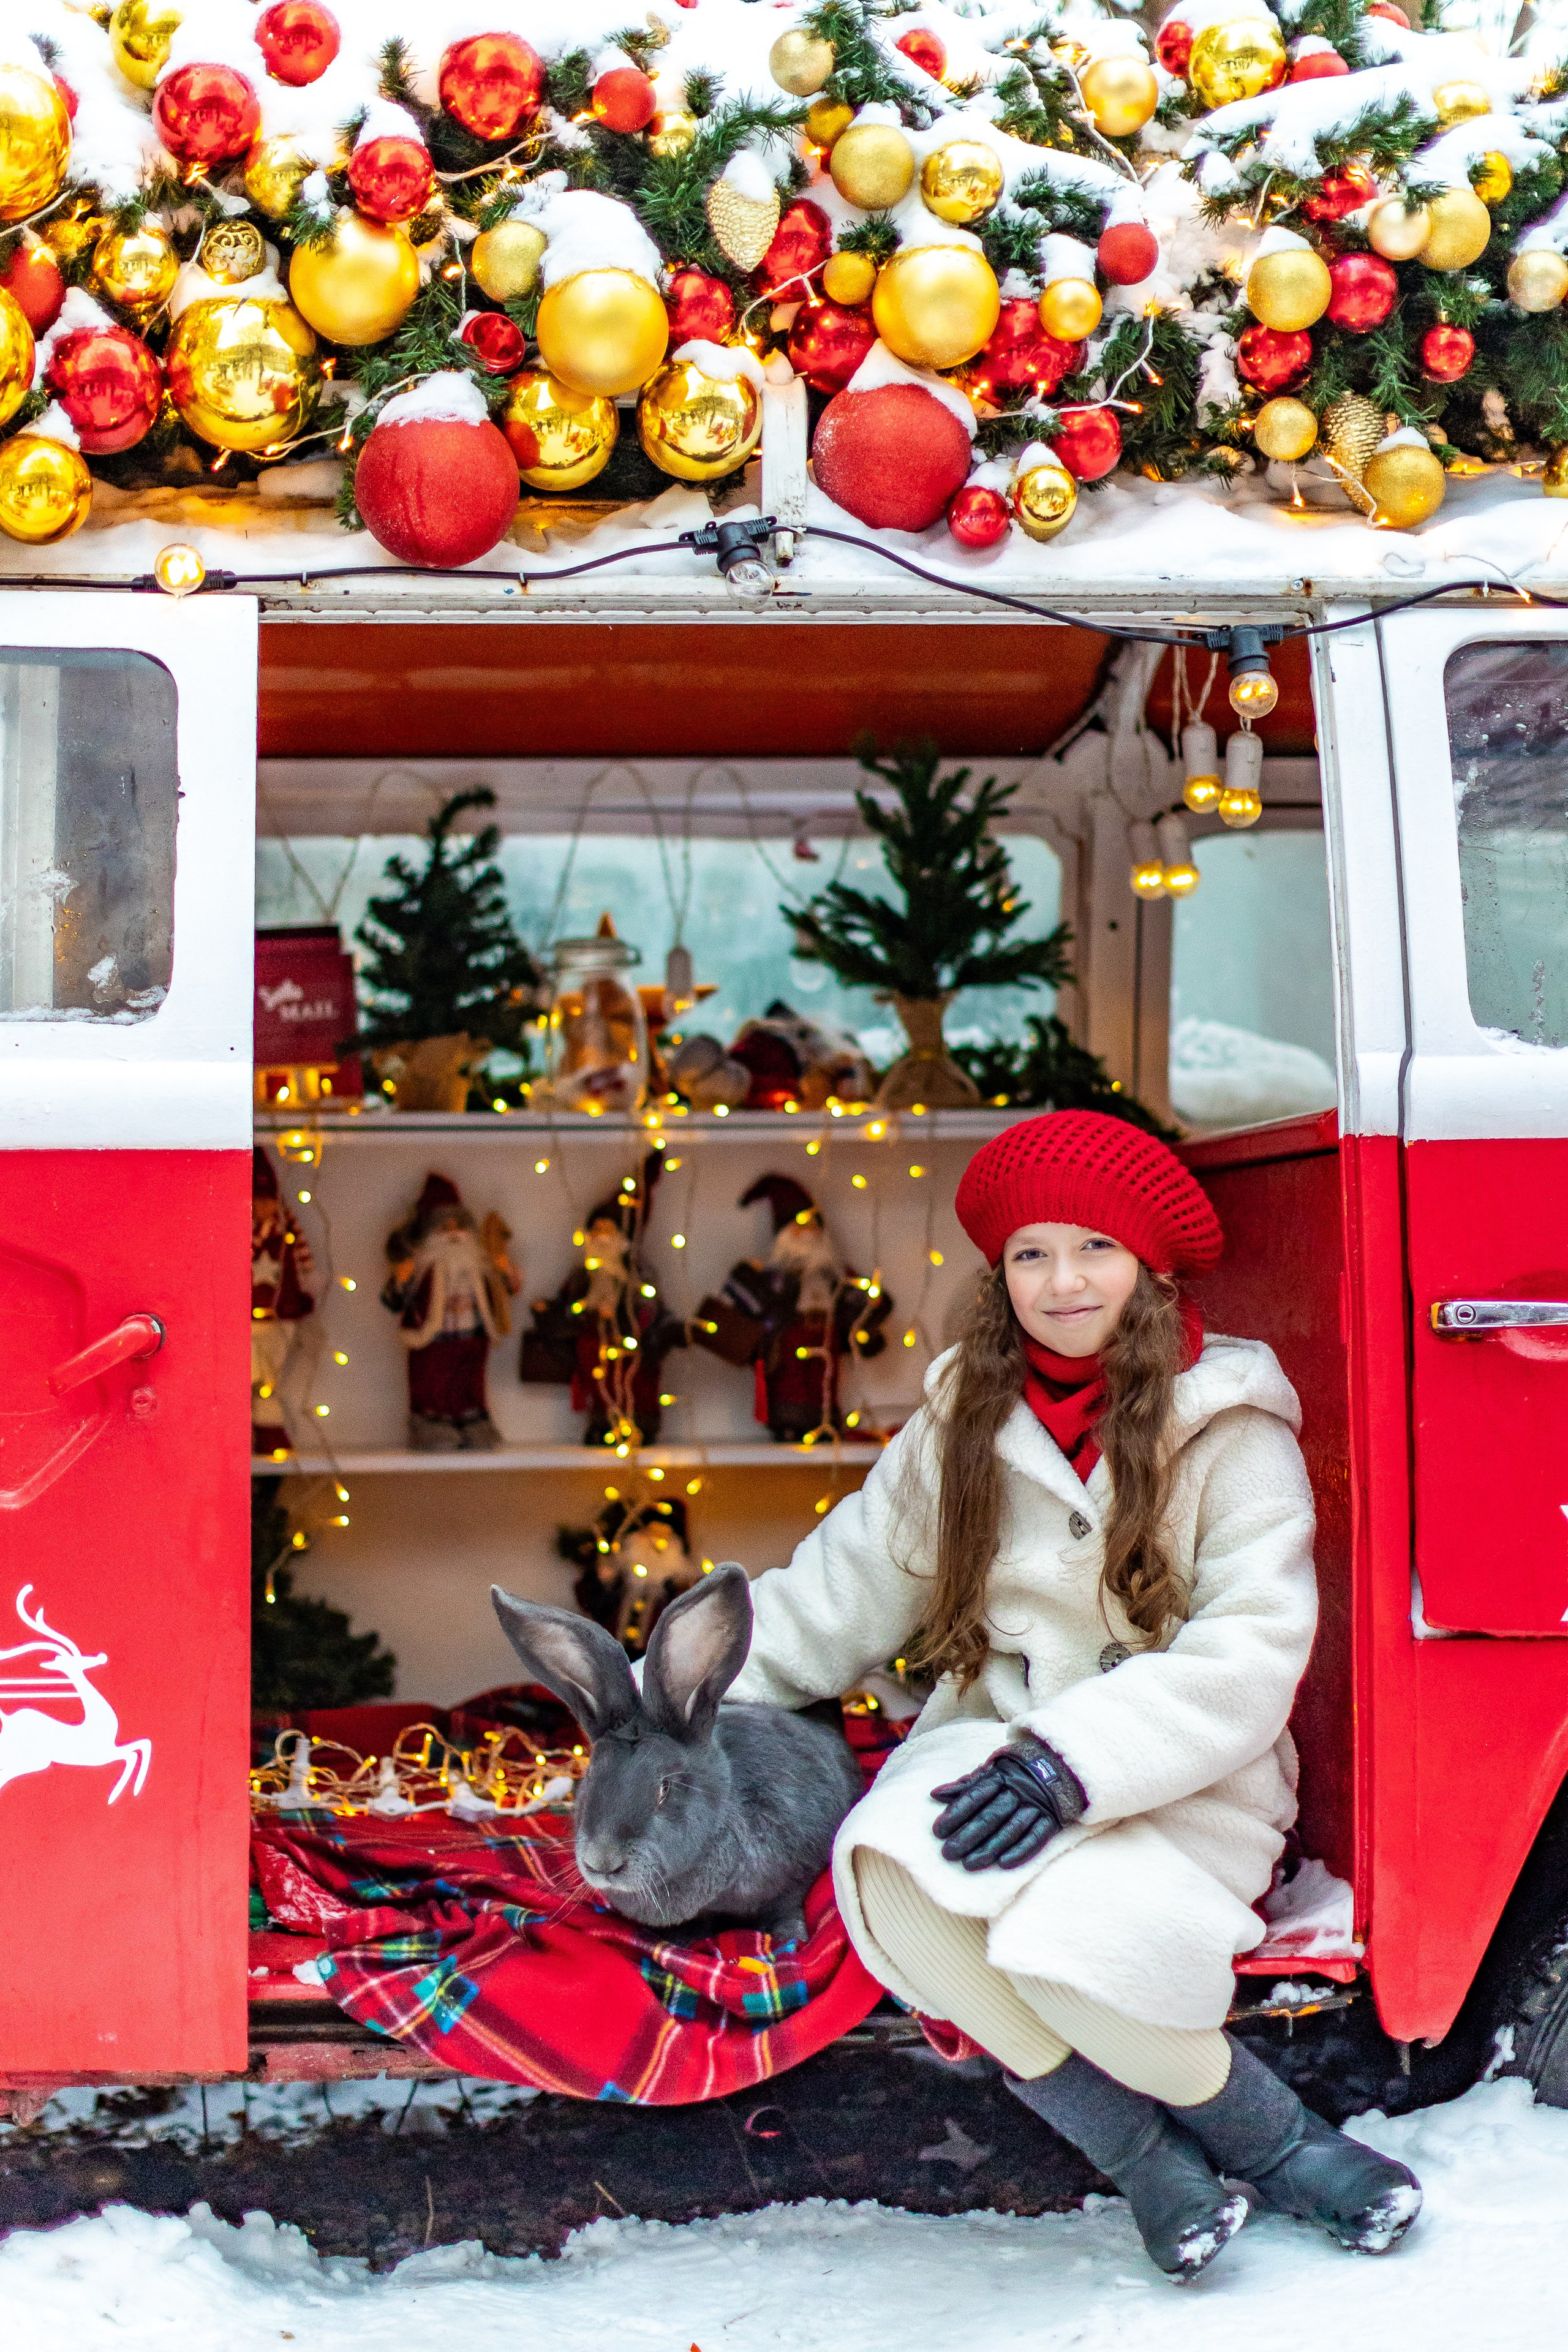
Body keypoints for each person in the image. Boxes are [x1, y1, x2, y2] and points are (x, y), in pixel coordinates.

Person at [725, 1110, 1420, 2283]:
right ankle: (1144, 2158)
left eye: (1095, 1248)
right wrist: (665, 1694)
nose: (1063, 1282)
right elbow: (837, 1592)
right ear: (999, 1274)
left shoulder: (1232, 1428)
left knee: (1066, 1945)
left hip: (1179, 1779)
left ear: (1149, 1265)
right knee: (890, 1872)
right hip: (990, 1746)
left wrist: (1072, 1764)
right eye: (1032, 1254)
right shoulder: (961, 1423)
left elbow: (1250, 1653)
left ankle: (1284, 2145)